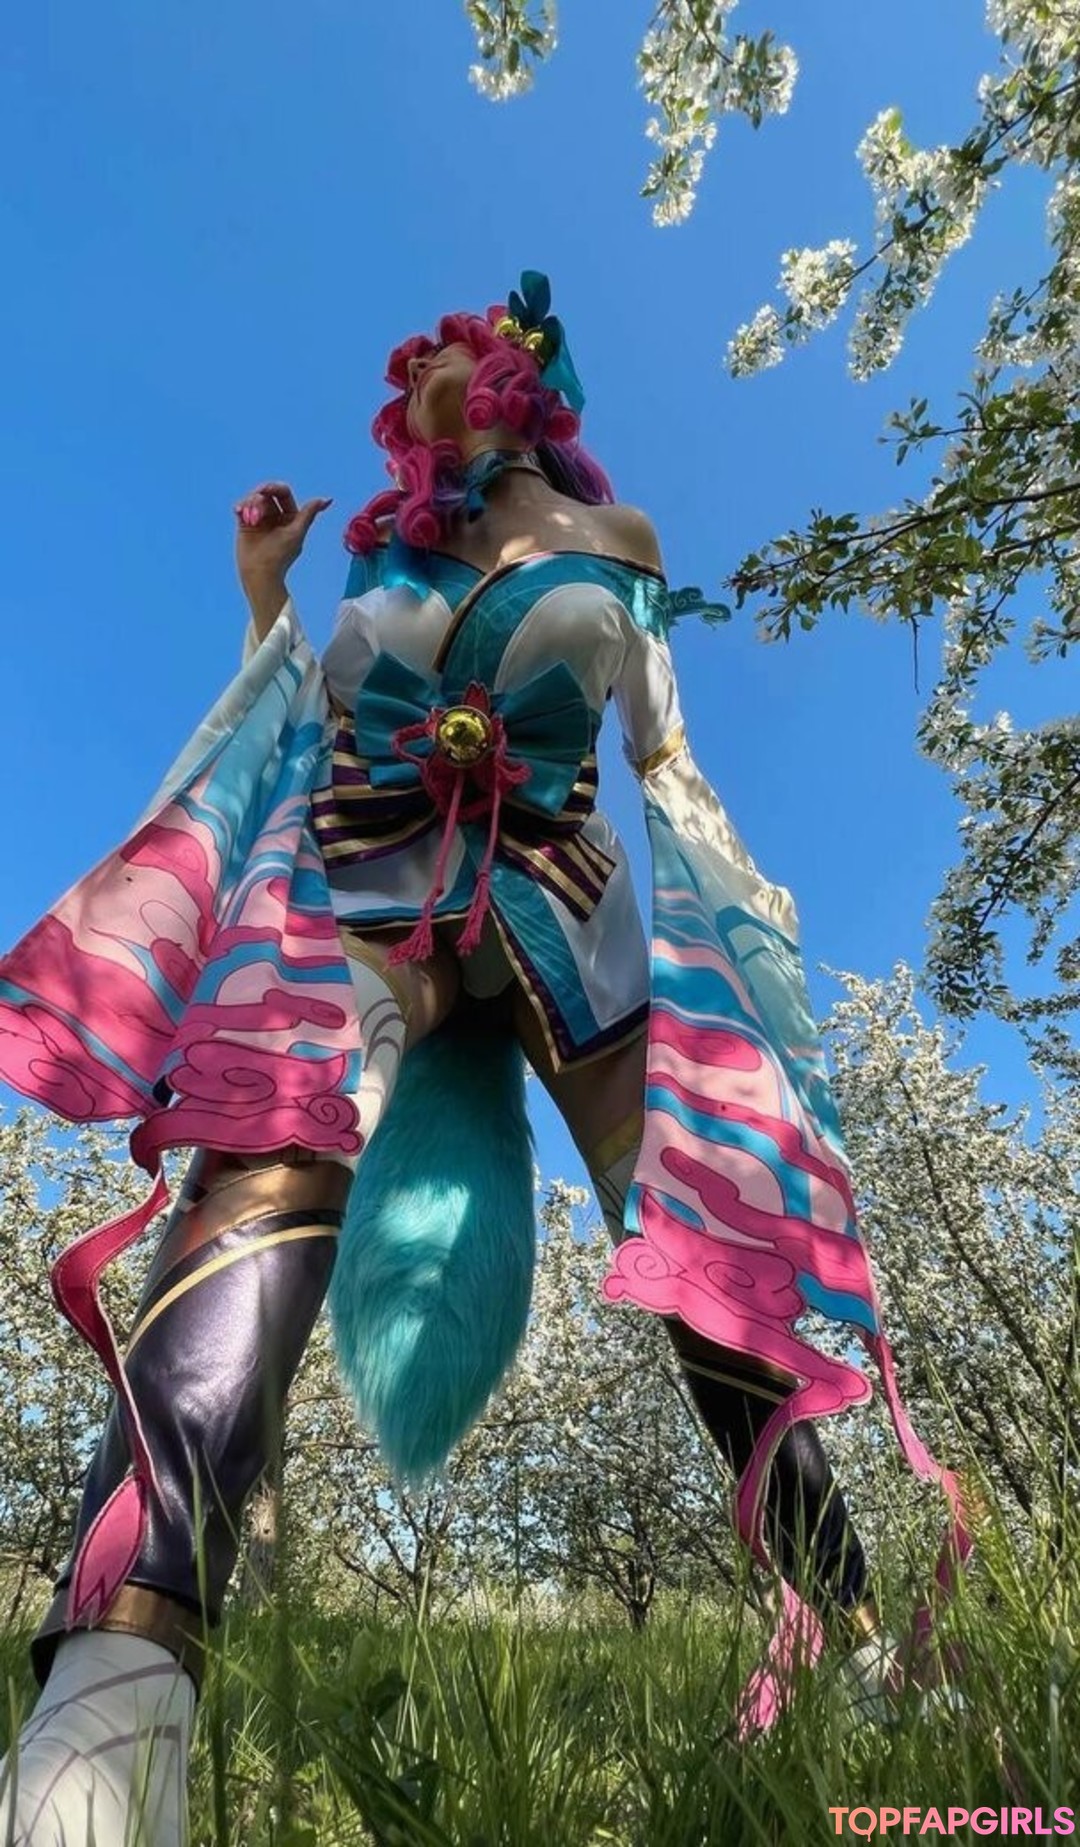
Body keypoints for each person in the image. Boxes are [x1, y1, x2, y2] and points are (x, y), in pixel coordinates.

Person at [0, 274, 965, 1845]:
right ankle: (117, 1685)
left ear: (526, 370)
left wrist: (746, 946)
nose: (427, 359)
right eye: (413, 361)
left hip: (569, 909)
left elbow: (664, 750)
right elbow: (316, 710)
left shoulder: (620, 540)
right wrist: (264, 601)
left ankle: (856, 1648)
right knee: (270, 1135)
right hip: (375, 890)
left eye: (456, 339)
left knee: (695, 1235)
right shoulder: (385, 548)